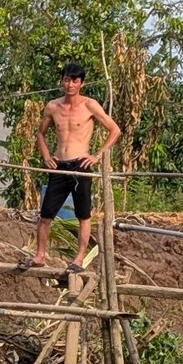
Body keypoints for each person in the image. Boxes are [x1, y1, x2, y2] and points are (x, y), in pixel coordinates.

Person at [17, 62, 120, 274]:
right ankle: (39, 255)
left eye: (74, 80)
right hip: (59, 166)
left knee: (83, 215)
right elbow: (41, 134)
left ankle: (79, 258)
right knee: (45, 216)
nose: (70, 84)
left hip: (80, 165)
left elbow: (114, 130)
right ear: (62, 81)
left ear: (81, 83)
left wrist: (97, 155)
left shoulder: (90, 105)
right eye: (66, 79)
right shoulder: (53, 106)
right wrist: (46, 156)